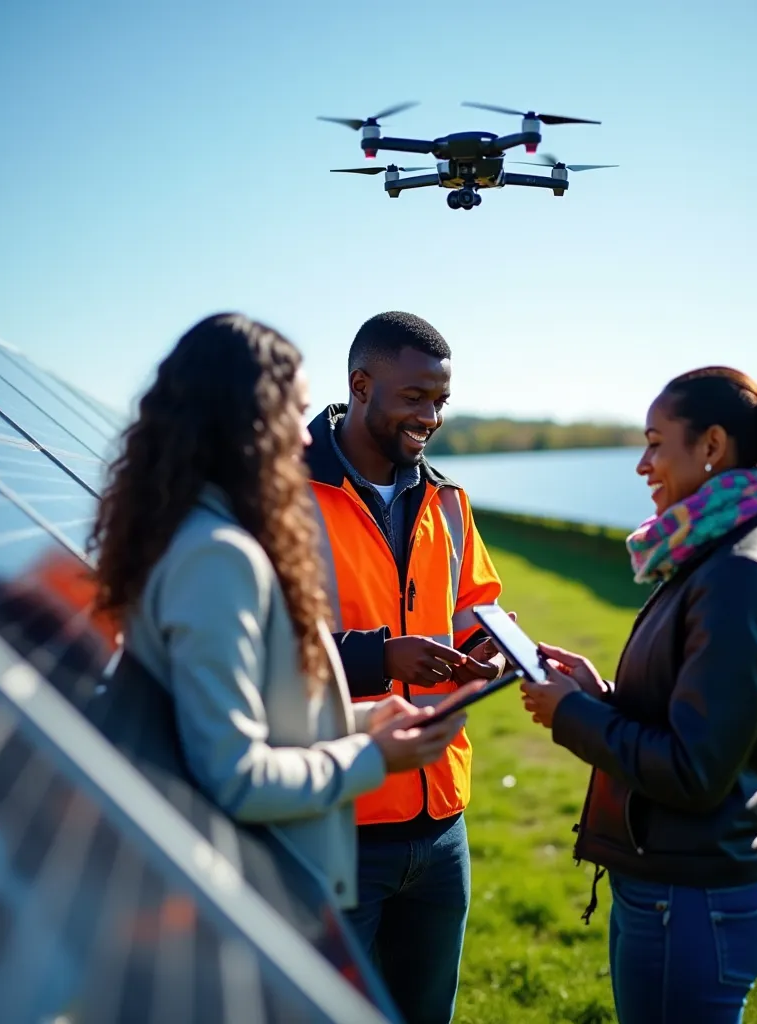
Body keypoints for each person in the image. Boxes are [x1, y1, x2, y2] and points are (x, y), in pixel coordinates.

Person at [87, 313, 468, 912]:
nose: (306, 436)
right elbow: (237, 774)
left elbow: (243, 709)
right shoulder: (218, 557)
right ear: (244, 422)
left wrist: (364, 721)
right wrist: (374, 754)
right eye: (294, 411)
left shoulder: (192, 532)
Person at [520, 365, 757, 1024]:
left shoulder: (737, 575)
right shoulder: (712, 550)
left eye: (655, 442)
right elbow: (688, 719)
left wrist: (571, 714)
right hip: (672, 886)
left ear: (712, 446)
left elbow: (694, 771)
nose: (643, 464)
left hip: (693, 900)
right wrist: (598, 693)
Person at [304, 311, 506, 1024]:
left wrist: (485, 648)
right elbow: (264, 649)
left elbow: (474, 605)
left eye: (441, 402)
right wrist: (379, 656)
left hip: (441, 820)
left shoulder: (449, 501)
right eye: (416, 398)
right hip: (335, 817)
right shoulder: (284, 498)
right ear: (361, 385)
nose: (432, 417)